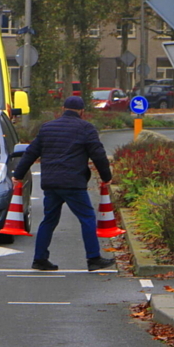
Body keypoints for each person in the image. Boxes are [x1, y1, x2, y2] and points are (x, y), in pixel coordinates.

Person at [12, 96, 116, 272]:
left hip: (51, 183)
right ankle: (93, 258)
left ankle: (40, 259)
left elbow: (31, 152)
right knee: (88, 218)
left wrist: (19, 174)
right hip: (73, 183)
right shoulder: (86, 128)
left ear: (63, 108)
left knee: (49, 220)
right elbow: (98, 154)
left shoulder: (47, 128)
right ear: (82, 112)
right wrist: (106, 176)